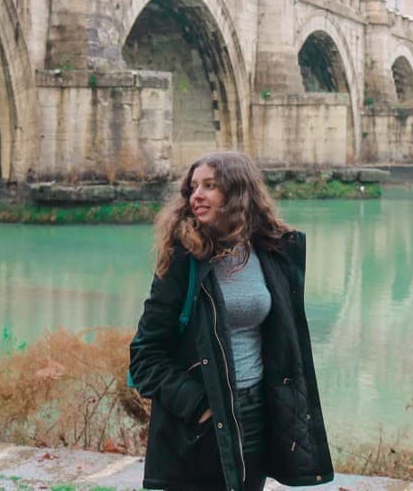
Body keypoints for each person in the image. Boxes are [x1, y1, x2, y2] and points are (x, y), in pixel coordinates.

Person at [129, 150, 333, 491]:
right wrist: (201, 406)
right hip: (202, 422)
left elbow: (285, 341)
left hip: (257, 413)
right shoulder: (184, 259)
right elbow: (144, 357)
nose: (198, 195)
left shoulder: (271, 251)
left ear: (238, 193)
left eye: (210, 186)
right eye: (193, 186)